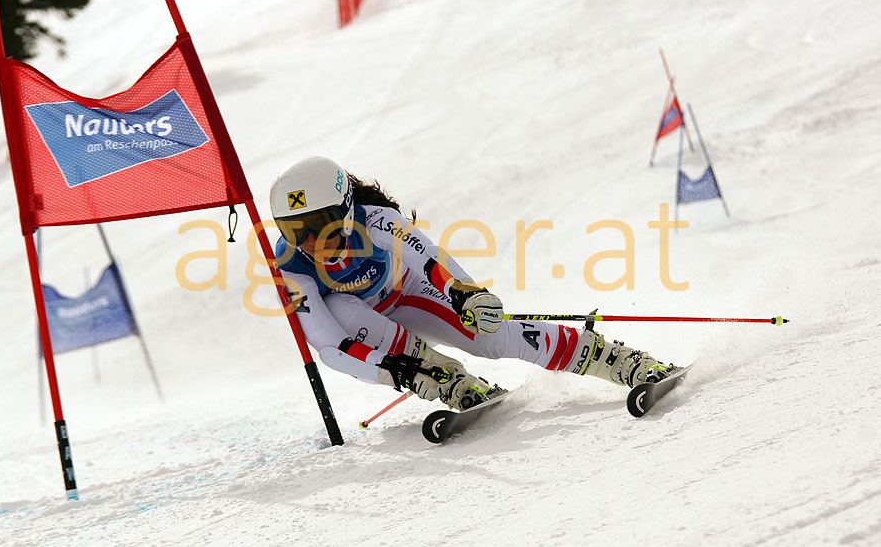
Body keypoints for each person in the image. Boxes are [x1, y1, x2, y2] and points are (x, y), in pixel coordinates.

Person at [270, 156, 673, 411]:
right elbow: (329, 345)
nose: (310, 241)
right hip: (368, 325)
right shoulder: (291, 263)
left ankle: (614, 359)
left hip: (408, 295)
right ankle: (447, 379)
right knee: (340, 308)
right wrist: (393, 371)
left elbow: (428, 259)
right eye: (293, 230)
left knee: (490, 338)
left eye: (319, 224)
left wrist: (465, 293)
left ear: (346, 208)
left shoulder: (375, 220)